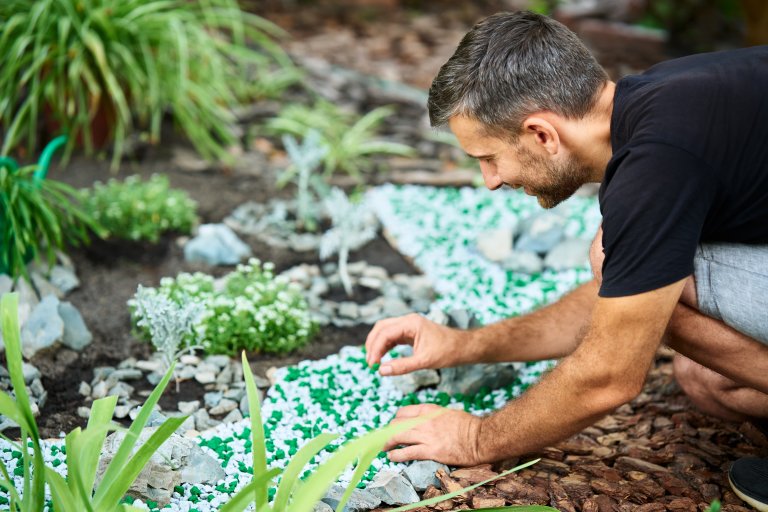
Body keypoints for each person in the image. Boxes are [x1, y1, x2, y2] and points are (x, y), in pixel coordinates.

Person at [363, 11, 768, 510]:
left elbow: (610, 375)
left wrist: (477, 440)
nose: (491, 180)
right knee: (708, 376)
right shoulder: (658, 102)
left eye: (488, 157)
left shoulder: (656, 167)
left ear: (542, 135)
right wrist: (462, 345)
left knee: (632, 267)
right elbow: (621, 297)